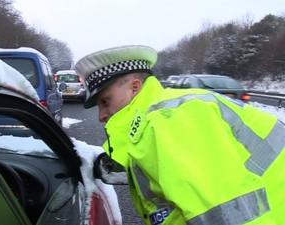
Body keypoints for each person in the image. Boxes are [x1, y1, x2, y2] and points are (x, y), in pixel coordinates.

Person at [74, 45, 285, 225]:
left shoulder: (170, 121)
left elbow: (224, 214)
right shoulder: (156, 120)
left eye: (105, 101)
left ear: (135, 88)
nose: (101, 116)